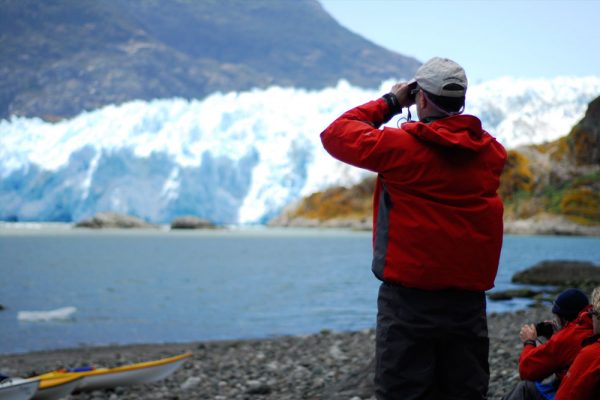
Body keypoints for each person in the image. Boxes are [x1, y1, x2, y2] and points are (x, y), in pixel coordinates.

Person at [320, 57, 506, 399]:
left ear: (420, 98)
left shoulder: (400, 148)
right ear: (461, 101)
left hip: (408, 302)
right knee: (464, 391)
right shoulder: (491, 154)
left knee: (403, 390)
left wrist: (391, 102)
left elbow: (335, 134)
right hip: (467, 304)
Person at [503, 288, 592, 400]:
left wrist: (529, 342)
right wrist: (555, 337)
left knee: (524, 388)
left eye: (557, 318)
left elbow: (527, 370)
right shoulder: (590, 326)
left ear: (563, 317)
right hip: (585, 391)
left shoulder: (567, 337)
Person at [555, 287, 600, 400]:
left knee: (524, 388)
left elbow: (565, 396)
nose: (591, 316)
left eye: (593, 312)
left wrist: (529, 342)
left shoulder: (592, 354)